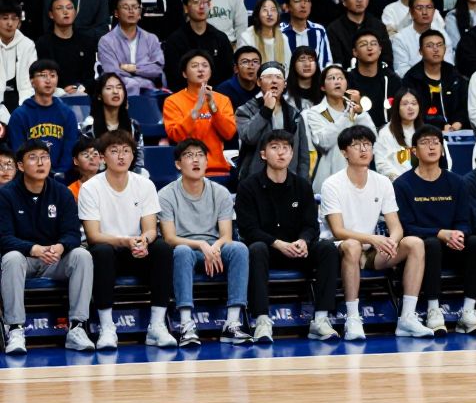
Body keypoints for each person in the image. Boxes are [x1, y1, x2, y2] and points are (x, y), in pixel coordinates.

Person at [320, 125, 434, 340]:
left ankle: (407, 318)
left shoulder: (382, 182)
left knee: (415, 243)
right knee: (353, 246)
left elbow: (396, 227)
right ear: (345, 152)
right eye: (356, 145)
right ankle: (353, 318)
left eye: (367, 144)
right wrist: (373, 238)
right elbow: (338, 231)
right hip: (338, 249)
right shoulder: (332, 184)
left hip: (372, 249)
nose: (363, 149)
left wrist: (392, 241)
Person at [235, 130, 340, 343]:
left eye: (286, 148)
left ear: (292, 153)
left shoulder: (302, 186)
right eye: (275, 147)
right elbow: (248, 229)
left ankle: (320, 319)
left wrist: (303, 240)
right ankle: (262, 320)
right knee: (255, 249)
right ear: (263, 154)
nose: (281, 153)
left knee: (328, 249)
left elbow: (311, 225)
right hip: (268, 250)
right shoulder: (248, 187)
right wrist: (277, 243)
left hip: (298, 249)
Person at [79, 129, 176, 350]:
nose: (121, 156)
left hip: (136, 250)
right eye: (114, 151)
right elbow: (93, 236)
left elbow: (151, 228)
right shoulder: (90, 188)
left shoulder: (144, 184)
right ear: (103, 157)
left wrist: (143, 240)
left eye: (126, 151)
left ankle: (158, 326)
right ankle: (106, 328)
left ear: (133, 155)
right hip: (109, 250)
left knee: (161, 248)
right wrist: (126, 241)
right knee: (101, 252)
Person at [0, 140, 95, 354]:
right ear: (21, 166)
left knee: (82, 255)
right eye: (33, 157)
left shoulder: (62, 193)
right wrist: (34, 249)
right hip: (25, 260)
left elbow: (72, 233)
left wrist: (61, 247)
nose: (41, 162)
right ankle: (15, 329)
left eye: (45, 157)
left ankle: (77, 328)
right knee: (11, 258)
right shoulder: (6, 195)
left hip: (54, 259)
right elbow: (3, 237)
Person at [393, 124, 476, 335]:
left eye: (436, 142)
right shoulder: (402, 184)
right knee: (432, 244)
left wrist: (458, 234)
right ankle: (433, 310)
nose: (432, 147)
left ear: (442, 149)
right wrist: (440, 233)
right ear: (414, 151)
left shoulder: (457, 182)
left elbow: (464, 220)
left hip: (453, 245)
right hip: (422, 250)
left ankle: (469, 311)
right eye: (425, 143)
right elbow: (407, 227)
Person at [158, 138, 252, 346]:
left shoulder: (220, 192)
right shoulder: (166, 194)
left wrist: (215, 247)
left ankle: (232, 323)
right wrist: (201, 245)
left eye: (200, 155)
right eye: (189, 156)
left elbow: (226, 235)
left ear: (207, 162)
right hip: (186, 248)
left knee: (239, 249)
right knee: (181, 251)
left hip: (215, 248)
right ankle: (186, 324)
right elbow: (169, 238)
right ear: (178, 164)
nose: (196, 160)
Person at [163, 50, 238, 177]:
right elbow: (176, 136)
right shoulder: (173, 101)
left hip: (217, 169)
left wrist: (212, 107)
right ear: (184, 73)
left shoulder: (222, 100)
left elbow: (229, 133)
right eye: (194, 66)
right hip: (187, 171)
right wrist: (197, 108)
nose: (200, 69)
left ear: (210, 72)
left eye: (205, 65)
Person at [235, 61, 311, 183]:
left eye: (278, 77)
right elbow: (249, 137)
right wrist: (265, 111)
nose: (274, 81)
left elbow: (303, 155)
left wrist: (303, 183)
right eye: (269, 77)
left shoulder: (294, 114)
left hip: (290, 179)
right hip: (256, 179)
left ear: (284, 84)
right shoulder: (245, 110)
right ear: (259, 82)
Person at [301, 63, 374, 190]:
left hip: (359, 177)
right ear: (323, 87)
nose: (337, 81)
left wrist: (360, 112)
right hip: (328, 177)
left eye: (340, 78)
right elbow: (324, 142)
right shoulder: (315, 112)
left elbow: (373, 138)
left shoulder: (356, 110)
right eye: (331, 78)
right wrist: (347, 114)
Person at [7, 60, 79, 177]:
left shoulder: (67, 114)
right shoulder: (19, 115)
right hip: (29, 177)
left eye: (52, 75)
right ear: (32, 81)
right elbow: (18, 152)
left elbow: (69, 149)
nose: (48, 80)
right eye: (42, 75)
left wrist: (59, 173)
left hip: (61, 178)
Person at [163, 0, 235, 91]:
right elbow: (173, 76)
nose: (202, 7)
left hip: (217, 95)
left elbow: (228, 73)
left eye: (205, 2)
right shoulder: (175, 40)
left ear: (210, 5)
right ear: (186, 8)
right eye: (196, 2)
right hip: (185, 95)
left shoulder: (220, 38)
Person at [97, 0, 164, 94]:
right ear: (116, 13)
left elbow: (157, 69)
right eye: (125, 7)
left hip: (148, 92)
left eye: (135, 7)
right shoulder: (106, 41)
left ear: (140, 13)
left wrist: (133, 68)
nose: (131, 11)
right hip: (120, 91)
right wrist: (139, 79)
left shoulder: (151, 39)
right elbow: (112, 72)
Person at [80, 73, 146, 174]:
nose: (115, 92)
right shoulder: (88, 126)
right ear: (99, 95)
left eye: (119, 88)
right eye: (109, 88)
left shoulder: (133, 125)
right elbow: (87, 162)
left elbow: (139, 161)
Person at [35, 0, 97, 95]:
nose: (65, 12)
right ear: (51, 14)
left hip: (81, 96)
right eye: (59, 8)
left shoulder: (86, 42)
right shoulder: (43, 43)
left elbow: (90, 78)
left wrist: (79, 88)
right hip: (52, 96)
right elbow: (42, 76)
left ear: (75, 13)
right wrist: (61, 91)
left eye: (69, 8)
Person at [281, 0, 332, 67]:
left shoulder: (319, 30)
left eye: (307, 0)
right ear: (287, 7)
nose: (303, 5)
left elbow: (326, 63)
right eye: (297, 1)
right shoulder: (280, 32)